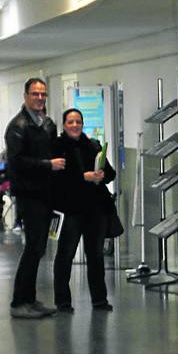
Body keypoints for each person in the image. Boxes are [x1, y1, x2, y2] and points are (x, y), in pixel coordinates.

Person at [5, 77, 64, 318]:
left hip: (46, 193)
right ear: (26, 96)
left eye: (43, 94)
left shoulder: (47, 124)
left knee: (39, 247)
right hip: (29, 195)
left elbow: (55, 151)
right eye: (35, 94)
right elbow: (17, 163)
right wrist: (47, 165)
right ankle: (19, 302)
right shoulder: (18, 126)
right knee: (33, 247)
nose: (40, 98)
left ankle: (29, 298)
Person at [51, 108, 116, 312]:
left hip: (94, 209)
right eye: (70, 122)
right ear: (64, 125)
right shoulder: (57, 147)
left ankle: (99, 300)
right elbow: (55, 180)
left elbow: (110, 174)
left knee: (95, 255)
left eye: (78, 122)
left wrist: (100, 175)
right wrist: (83, 178)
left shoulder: (93, 145)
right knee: (65, 255)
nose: (75, 125)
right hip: (69, 209)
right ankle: (62, 302)